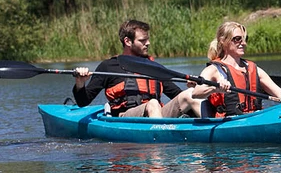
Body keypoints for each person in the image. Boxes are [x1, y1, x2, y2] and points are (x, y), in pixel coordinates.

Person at [73, 19, 222, 117]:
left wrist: (193, 87)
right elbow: (83, 101)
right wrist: (80, 82)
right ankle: (161, 145)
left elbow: (176, 94)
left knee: (189, 94)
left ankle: (214, 129)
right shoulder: (108, 66)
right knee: (152, 103)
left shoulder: (153, 67)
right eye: (142, 40)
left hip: (156, 116)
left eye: (148, 39)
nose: (148, 43)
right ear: (127, 41)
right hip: (125, 118)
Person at [200, 22, 281, 117]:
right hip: (229, 122)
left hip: (254, 117)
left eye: (244, 39)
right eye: (237, 39)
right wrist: (215, 89)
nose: (244, 43)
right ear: (223, 40)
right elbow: (196, 93)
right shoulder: (214, 69)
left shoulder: (254, 69)